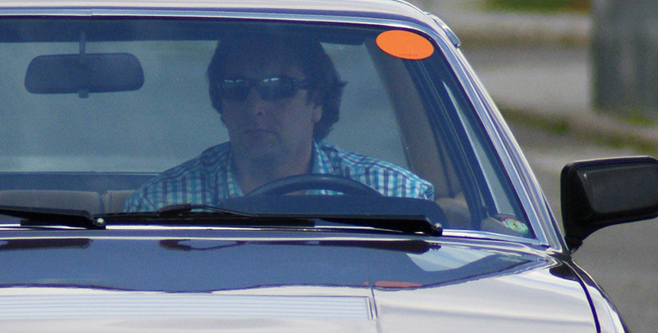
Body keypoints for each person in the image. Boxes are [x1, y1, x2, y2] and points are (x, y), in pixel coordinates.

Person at [124, 31, 434, 212]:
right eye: (236, 88)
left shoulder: (395, 196)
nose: (255, 106)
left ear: (318, 102)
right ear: (221, 104)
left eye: (278, 88)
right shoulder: (160, 207)